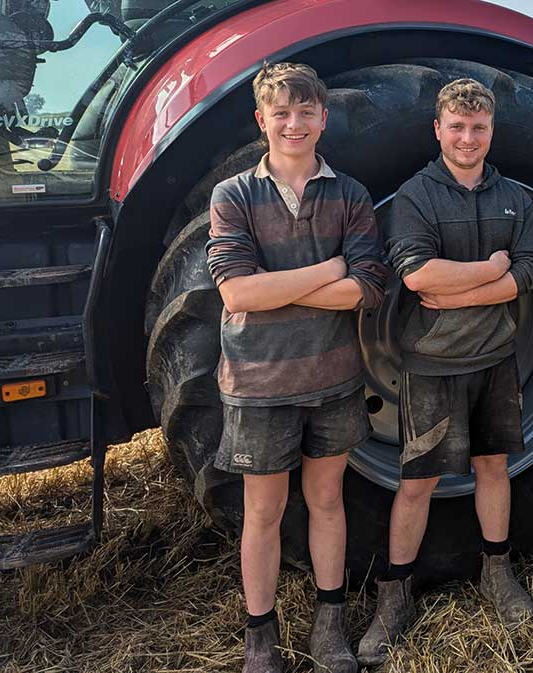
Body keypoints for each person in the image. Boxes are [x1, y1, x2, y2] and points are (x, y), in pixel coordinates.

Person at [206, 62, 388, 673]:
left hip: (334, 380)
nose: (294, 123)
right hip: (260, 384)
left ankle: (328, 625)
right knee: (263, 511)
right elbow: (237, 295)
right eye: (281, 113)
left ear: (323, 119)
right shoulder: (233, 196)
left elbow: (365, 289)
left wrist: (279, 285)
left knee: (327, 500)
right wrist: (326, 271)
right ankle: (261, 638)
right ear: (262, 120)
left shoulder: (351, 194)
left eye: (305, 112)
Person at [358, 78, 533, 666]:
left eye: (480, 128)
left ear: (492, 131)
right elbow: (416, 276)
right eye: (458, 128)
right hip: (432, 365)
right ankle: (395, 595)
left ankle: (497, 572)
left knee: (495, 467)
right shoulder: (417, 195)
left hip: (496, 359)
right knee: (417, 483)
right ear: (438, 130)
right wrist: (494, 271)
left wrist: (473, 285)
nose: (469, 139)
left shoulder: (511, 195)